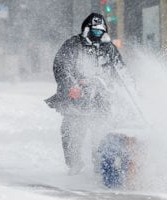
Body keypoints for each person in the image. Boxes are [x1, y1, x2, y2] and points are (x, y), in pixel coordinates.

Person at [45, 13, 124, 175]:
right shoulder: (73, 45)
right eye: (94, 30)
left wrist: (130, 90)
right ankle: (74, 167)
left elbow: (122, 71)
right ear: (86, 29)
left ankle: (99, 169)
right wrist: (71, 86)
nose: (97, 34)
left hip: (101, 100)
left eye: (100, 31)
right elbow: (61, 66)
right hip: (77, 100)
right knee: (72, 134)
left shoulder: (109, 48)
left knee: (101, 135)